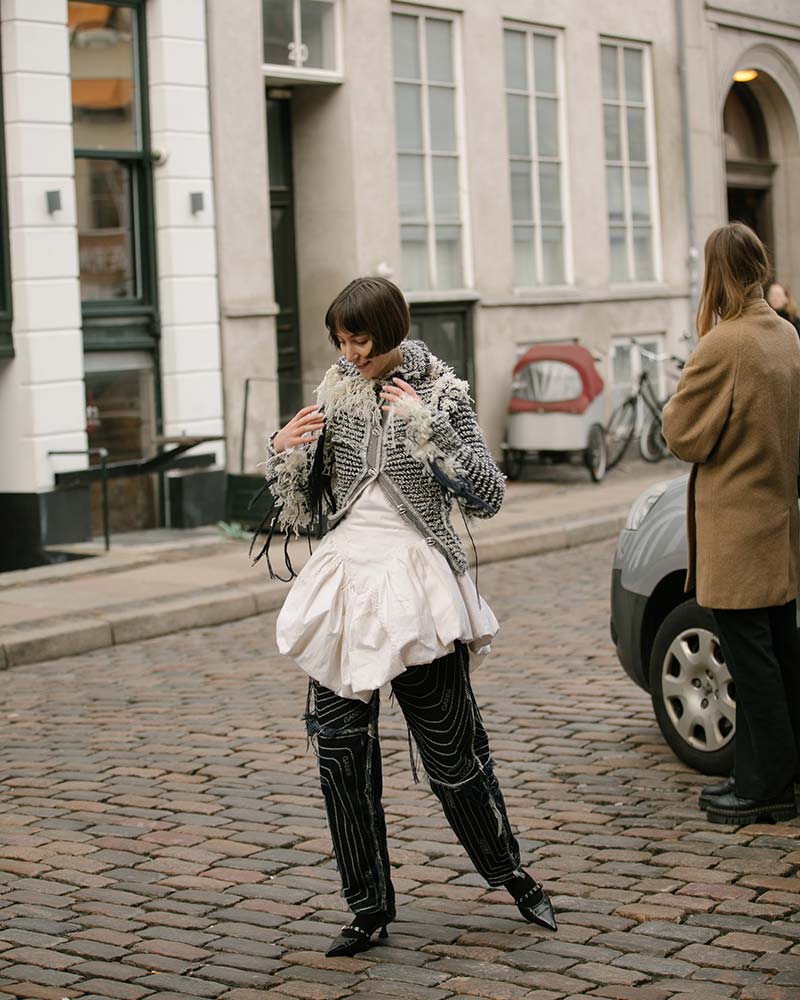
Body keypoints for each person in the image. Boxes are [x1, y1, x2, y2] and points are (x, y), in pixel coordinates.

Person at [260, 276, 556, 958]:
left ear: (390, 331)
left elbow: (487, 495)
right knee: (339, 752)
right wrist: (284, 452)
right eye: (339, 339)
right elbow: (302, 514)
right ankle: (366, 908)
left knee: (452, 754)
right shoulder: (333, 393)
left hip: (418, 590)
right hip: (344, 587)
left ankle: (510, 873)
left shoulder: (441, 390)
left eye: (359, 339)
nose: (348, 353)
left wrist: (431, 426)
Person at [662, 222, 800, 825]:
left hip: (740, 532)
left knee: (753, 665)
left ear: (716, 274)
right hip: (779, 522)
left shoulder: (727, 344)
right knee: (781, 657)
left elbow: (681, 434)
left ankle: (763, 787)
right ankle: (776, 774)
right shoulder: (786, 335)